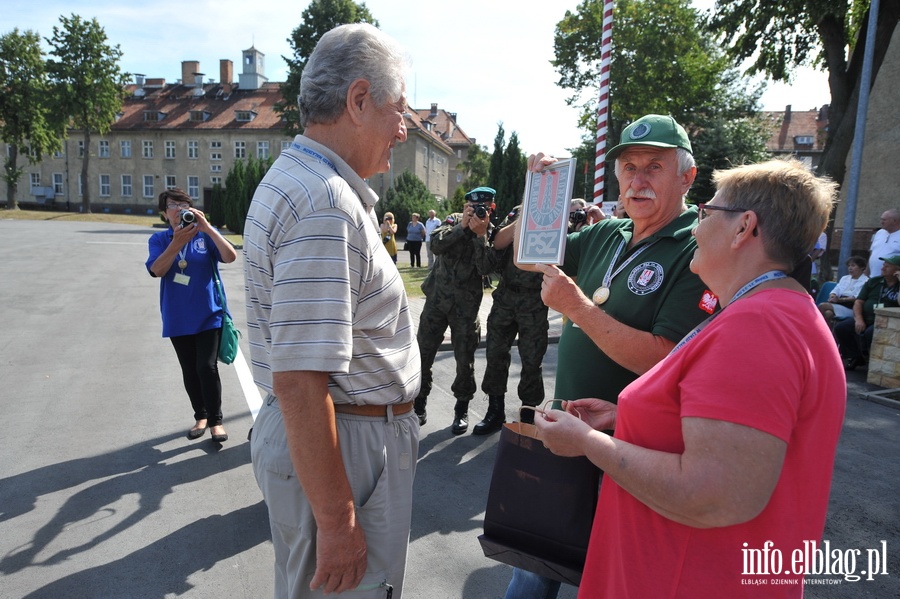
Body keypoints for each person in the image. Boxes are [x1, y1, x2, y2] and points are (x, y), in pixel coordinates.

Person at [535, 158, 845, 598]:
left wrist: (586, 443)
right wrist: (625, 418)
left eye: (706, 214)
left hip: (686, 579)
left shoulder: (758, 327)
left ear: (744, 229)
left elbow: (712, 494)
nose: (696, 228)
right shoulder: (772, 312)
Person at [242, 24, 421, 598]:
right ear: (359, 100)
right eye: (399, 109)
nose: (403, 128)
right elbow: (299, 381)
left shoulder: (304, 180)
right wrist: (338, 521)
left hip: (339, 439)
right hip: (348, 446)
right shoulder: (325, 202)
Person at [506, 114, 714, 598]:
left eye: (654, 167)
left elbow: (665, 359)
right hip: (565, 431)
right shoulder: (610, 233)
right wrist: (540, 195)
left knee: (604, 578)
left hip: (628, 448)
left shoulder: (697, 249)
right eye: (629, 167)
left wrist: (576, 307)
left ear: (686, 175)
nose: (637, 180)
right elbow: (529, 256)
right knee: (533, 565)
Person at [146, 187, 237, 443]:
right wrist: (177, 243)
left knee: (206, 367)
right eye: (173, 205)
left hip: (209, 312)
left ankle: (216, 422)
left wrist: (208, 228)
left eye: (183, 204)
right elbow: (157, 270)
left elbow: (230, 257)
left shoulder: (204, 235)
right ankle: (201, 415)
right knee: (189, 370)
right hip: (177, 315)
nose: (179, 209)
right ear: (165, 214)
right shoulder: (159, 240)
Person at [414, 186, 494, 434]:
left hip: (466, 309)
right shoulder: (452, 222)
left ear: (492, 208)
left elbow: (486, 268)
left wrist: (480, 235)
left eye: (484, 207)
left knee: (464, 361)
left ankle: (461, 409)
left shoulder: (491, 232)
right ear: (465, 207)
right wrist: (463, 227)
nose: (478, 211)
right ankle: (419, 404)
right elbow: (436, 244)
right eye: (472, 207)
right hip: (436, 303)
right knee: (422, 356)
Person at [471, 205, 548, 435]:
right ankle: (495, 411)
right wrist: (525, 217)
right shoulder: (518, 212)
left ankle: (528, 414)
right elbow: (497, 243)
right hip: (506, 298)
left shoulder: (556, 215)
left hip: (534, 301)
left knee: (532, 360)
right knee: (495, 354)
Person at [834, 254, 900, 370]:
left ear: (897, 270)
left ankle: (872, 361)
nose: (883, 268)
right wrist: (859, 319)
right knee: (842, 328)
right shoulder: (874, 282)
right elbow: (858, 302)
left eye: (888, 266)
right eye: (884, 265)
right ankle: (855, 357)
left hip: (886, 322)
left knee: (871, 332)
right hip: (866, 317)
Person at [818, 255, 868, 326]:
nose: (850, 268)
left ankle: (812, 328)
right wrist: (833, 296)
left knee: (822, 306)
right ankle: (828, 334)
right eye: (849, 266)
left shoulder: (865, 281)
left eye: (853, 266)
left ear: (862, 267)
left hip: (851, 307)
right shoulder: (845, 278)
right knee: (828, 314)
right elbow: (836, 289)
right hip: (838, 303)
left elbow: (857, 298)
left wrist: (840, 300)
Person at [867, 209, 900, 275]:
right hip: (873, 278)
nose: (881, 222)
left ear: (894, 221)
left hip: (891, 280)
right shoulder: (879, 233)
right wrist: (866, 272)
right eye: (881, 219)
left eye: (884, 220)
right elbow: (873, 253)